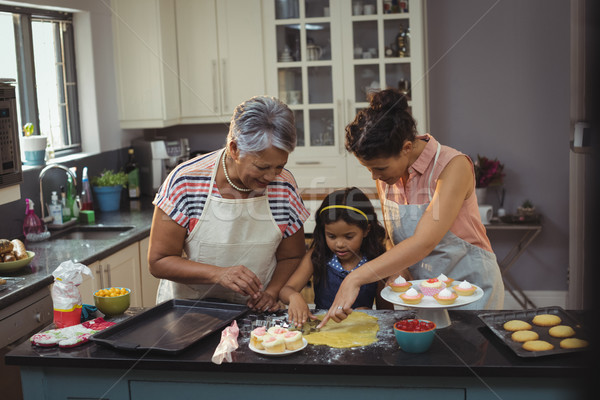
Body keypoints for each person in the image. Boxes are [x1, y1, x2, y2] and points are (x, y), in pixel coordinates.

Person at [319, 89, 504, 327]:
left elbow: (423, 241)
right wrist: (400, 272)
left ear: (407, 147)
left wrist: (354, 278)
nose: (375, 176)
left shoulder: (452, 166)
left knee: (470, 359)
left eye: (380, 168)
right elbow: (395, 239)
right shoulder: (386, 175)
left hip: (469, 291)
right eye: (369, 170)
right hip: (423, 296)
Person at [148, 96, 310, 312]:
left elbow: (292, 255)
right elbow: (159, 261)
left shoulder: (284, 186)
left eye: (279, 166)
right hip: (190, 312)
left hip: (256, 314)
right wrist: (219, 274)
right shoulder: (185, 181)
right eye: (262, 167)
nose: (272, 176)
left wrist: (271, 293)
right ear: (234, 149)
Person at [279, 187, 392, 327]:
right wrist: (294, 296)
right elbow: (286, 290)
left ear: (366, 230)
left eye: (349, 236)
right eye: (331, 236)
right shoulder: (317, 256)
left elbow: (387, 312)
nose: (339, 244)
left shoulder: (376, 261)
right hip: (324, 330)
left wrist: (370, 314)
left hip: (361, 331)